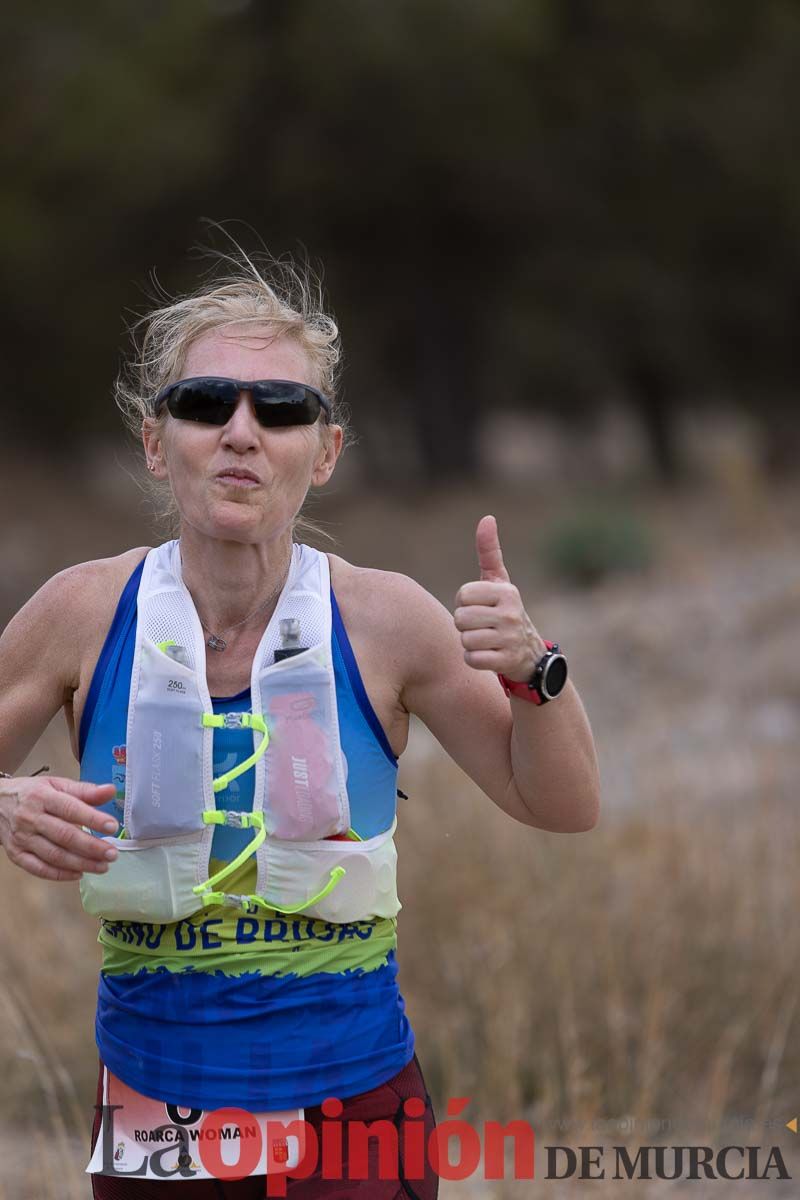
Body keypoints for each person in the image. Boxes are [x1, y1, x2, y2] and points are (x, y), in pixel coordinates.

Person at [0, 252, 600, 1198]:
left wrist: (537, 670)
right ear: (157, 440)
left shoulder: (387, 619)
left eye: (281, 408)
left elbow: (562, 806)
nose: (242, 432)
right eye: (206, 402)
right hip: (159, 1107)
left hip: (357, 1110)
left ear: (324, 452)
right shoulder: (80, 613)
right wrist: (7, 801)